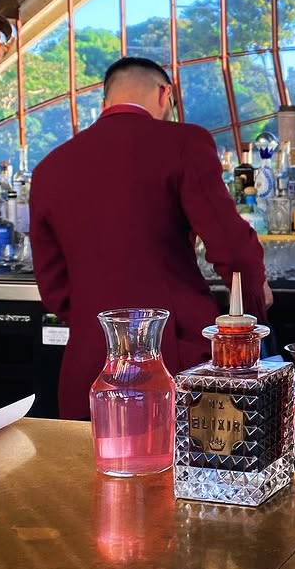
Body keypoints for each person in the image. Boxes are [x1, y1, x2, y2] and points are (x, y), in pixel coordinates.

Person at [29, 56, 270, 419]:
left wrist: (99, 320)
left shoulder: (49, 168)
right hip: (173, 361)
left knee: (88, 457)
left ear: (105, 100)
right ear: (163, 94)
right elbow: (233, 248)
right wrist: (253, 299)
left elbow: (53, 288)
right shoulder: (183, 142)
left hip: (90, 368)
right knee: (179, 457)